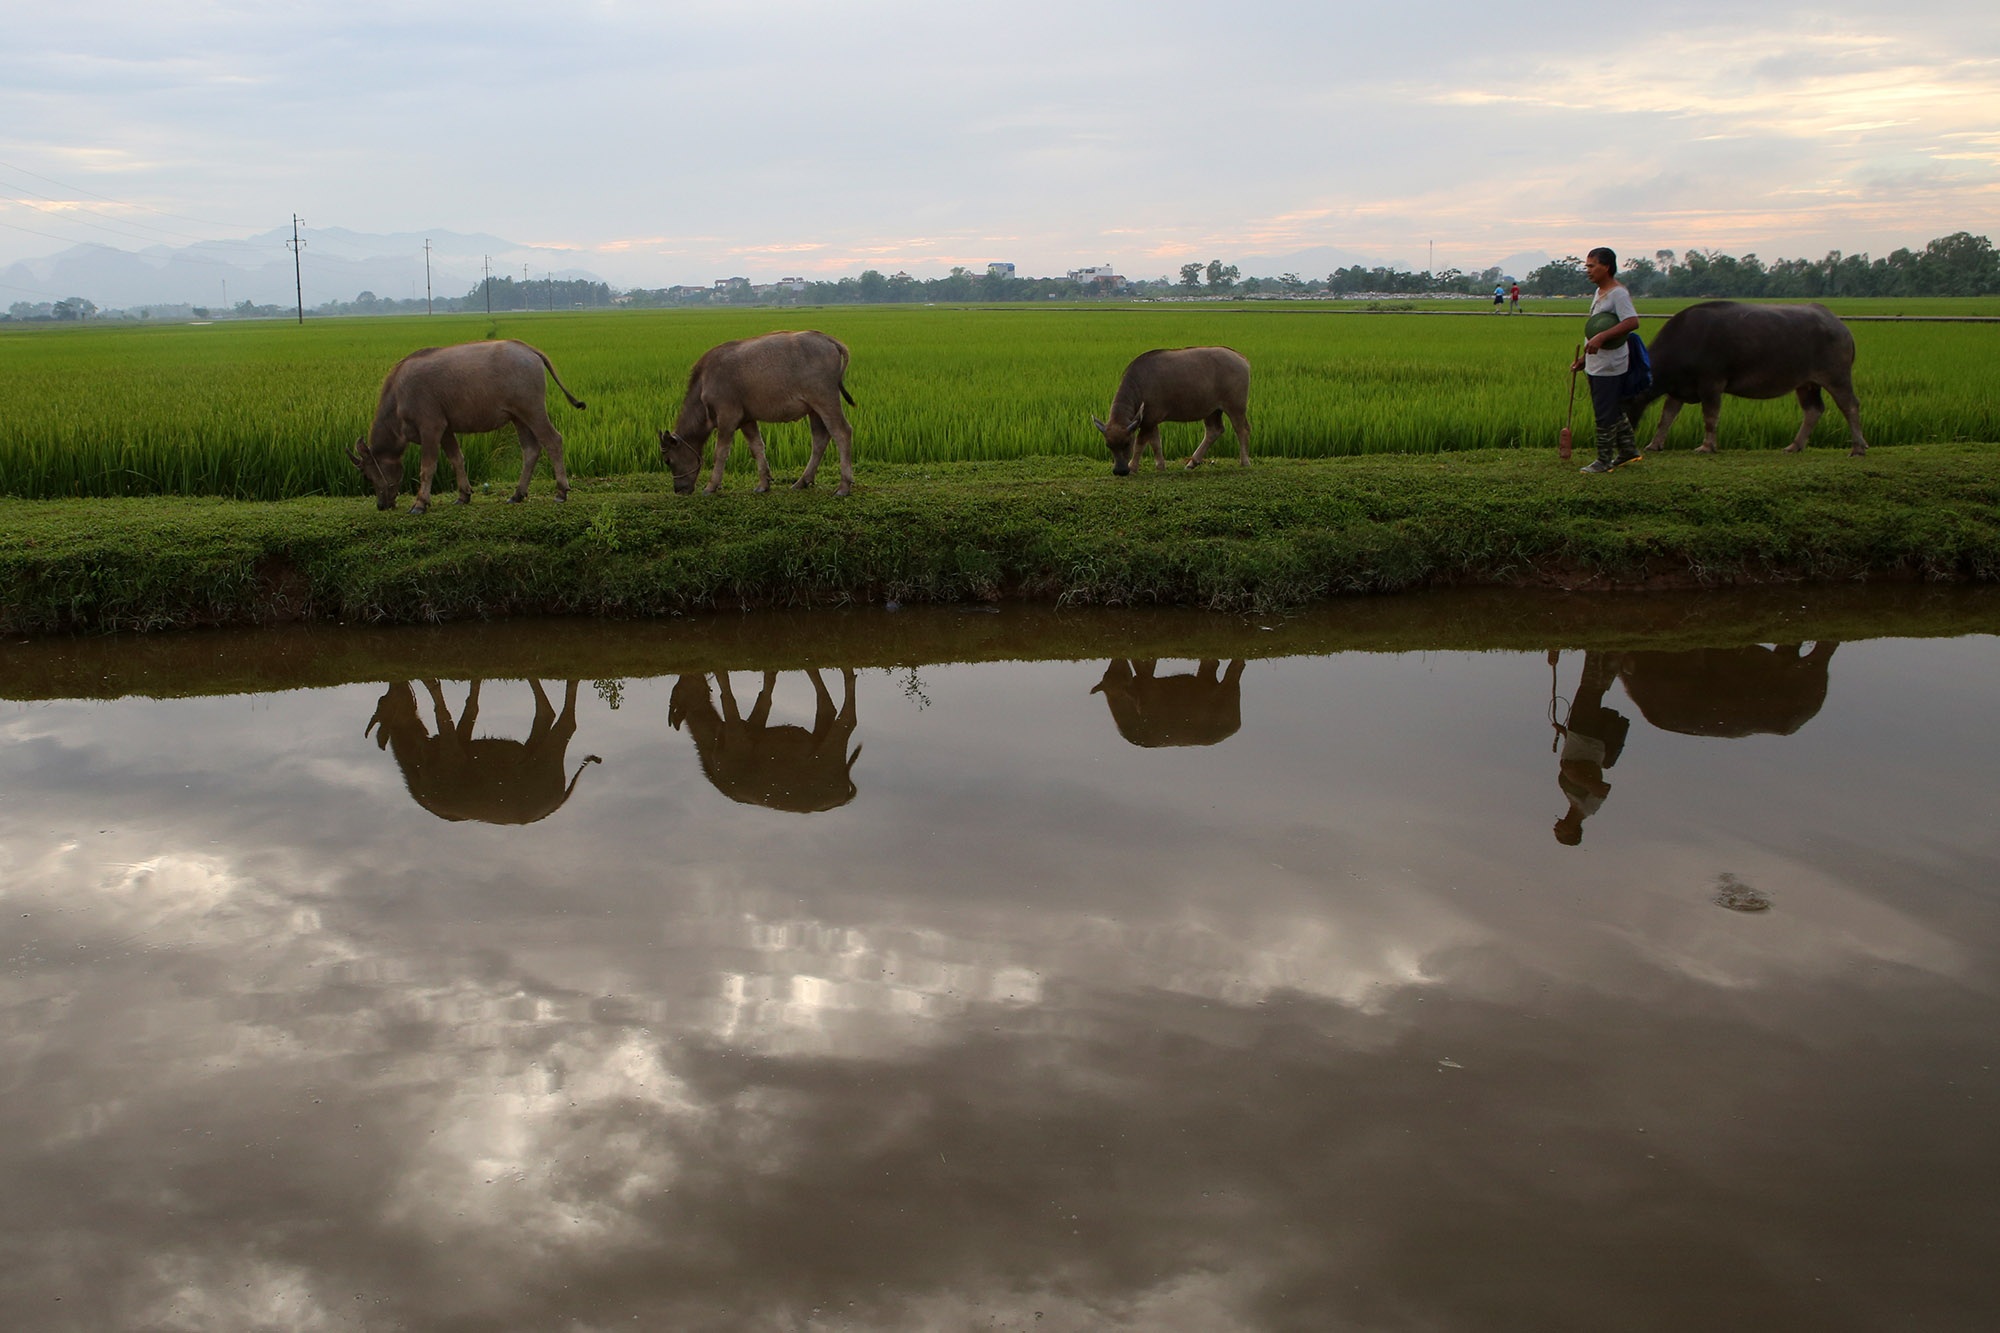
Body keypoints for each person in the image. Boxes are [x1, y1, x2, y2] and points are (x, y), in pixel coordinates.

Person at [1570, 247, 1642, 473]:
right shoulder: (1600, 292)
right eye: (1587, 266)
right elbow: (1600, 325)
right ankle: (1629, 450)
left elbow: (1631, 322)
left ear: (1607, 267)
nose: (1588, 271)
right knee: (1614, 408)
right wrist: (1584, 358)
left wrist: (1601, 337)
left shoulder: (1618, 293)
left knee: (1604, 411)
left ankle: (1603, 460)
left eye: (1592, 266)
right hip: (1596, 361)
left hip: (1610, 364)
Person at [1550, 650, 1630, 846]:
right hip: (1588, 737)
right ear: (1572, 832)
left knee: (1590, 692)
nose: (1556, 829)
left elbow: (1575, 758)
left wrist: (1564, 733)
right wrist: (1575, 776)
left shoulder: (1572, 801)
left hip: (1579, 735)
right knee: (1589, 690)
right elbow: (1603, 789)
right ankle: (1601, 652)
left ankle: (1609, 656)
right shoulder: (1588, 809)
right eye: (1561, 834)